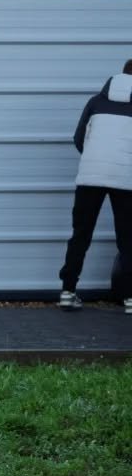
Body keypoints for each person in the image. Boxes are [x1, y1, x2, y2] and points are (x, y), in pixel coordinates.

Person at [57, 58, 132, 311]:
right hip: (126, 180)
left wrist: (94, 160)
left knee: (80, 234)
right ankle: (130, 297)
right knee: (127, 238)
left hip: (90, 176)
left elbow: (79, 139)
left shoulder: (96, 102)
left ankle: (67, 291)